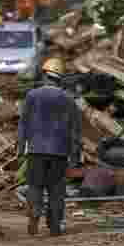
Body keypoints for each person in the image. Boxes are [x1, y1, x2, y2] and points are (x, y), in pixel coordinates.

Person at [17, 57, 82, 236]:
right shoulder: (69, 99)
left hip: (36, 151)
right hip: (59, 152)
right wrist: (76, 156)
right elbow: (76, 130)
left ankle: (34, 215)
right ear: (60, 78)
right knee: (56, 190)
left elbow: (23, 124)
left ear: (45, 74)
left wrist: (20, 149)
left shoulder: (32, 96)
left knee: (35, 186)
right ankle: (54, 225)